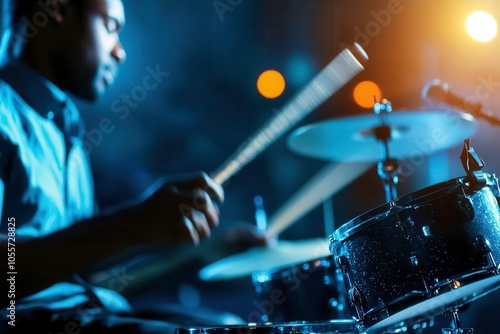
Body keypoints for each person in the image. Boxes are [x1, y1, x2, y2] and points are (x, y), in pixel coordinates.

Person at [0, 0, 265, 332]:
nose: (120, 53)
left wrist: (195, 252)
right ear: (57, 8)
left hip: (87, 312)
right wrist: (133, 223)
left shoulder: (66, 133)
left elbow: (85, 274)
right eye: (111, 27)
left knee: (230, 326)